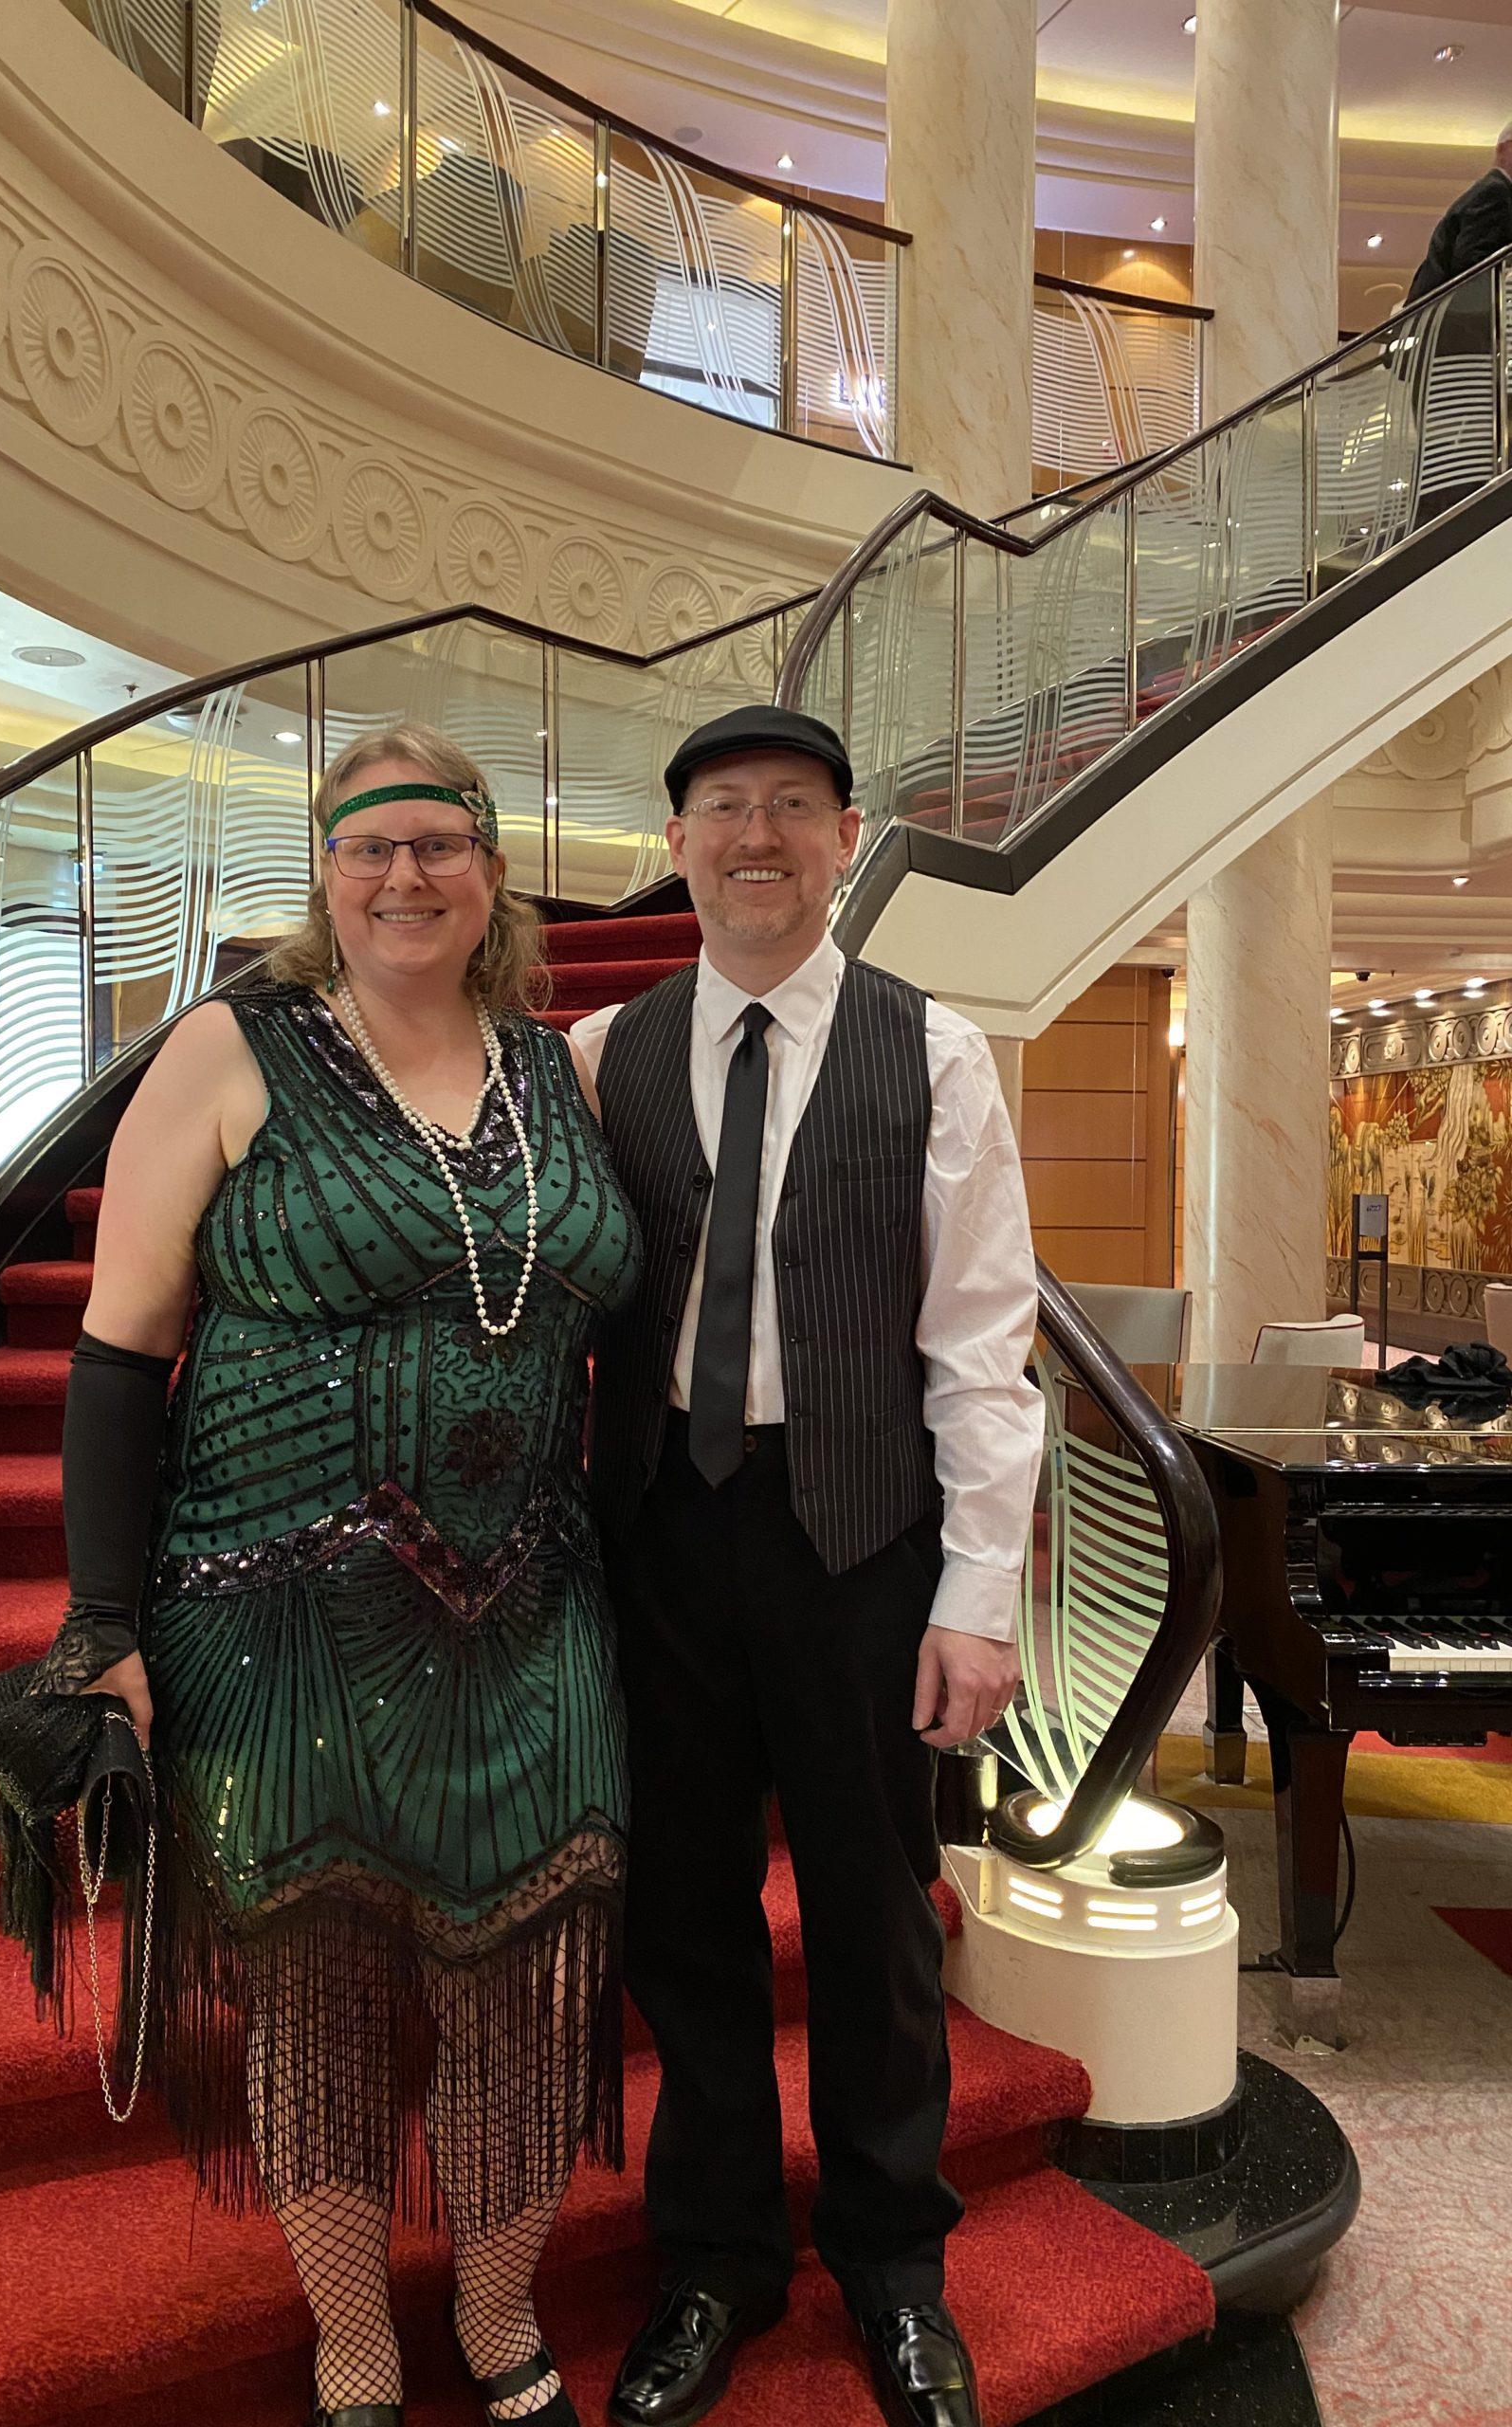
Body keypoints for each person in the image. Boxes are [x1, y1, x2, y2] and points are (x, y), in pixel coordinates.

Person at [46, 722, 640, 2427]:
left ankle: (500, 2315)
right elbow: (111, 1356)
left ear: (490, 873)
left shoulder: (562, 1074)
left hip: (534, 1611)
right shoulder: (231, 1050)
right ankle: (355, 2340)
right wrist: (102, 1624)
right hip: (276, 1613)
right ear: (323, 872)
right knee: (313, 1988)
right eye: (368, 849)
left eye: (437, 847)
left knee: (525, 1985)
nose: (403, 877)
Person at [568, 704, 1045, 2427]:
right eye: (719, 808)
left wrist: (978, 1601)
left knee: (870, 1922)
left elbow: (984, 1349)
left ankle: (896, 2270)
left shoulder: (937, 1053)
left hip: (858, 1538)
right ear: (679, 840)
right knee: (681, 1920)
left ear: (848, 836)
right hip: (660, 1542)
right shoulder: (597, 1048)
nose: (753, 835)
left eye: (789, 807)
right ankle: (713, 2259)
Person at [1407, 120, 1512, 302]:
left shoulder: (1492, 190)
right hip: (1454, 317)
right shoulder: (1495, 192)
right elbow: (1475, 269)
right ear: (1504, 149)